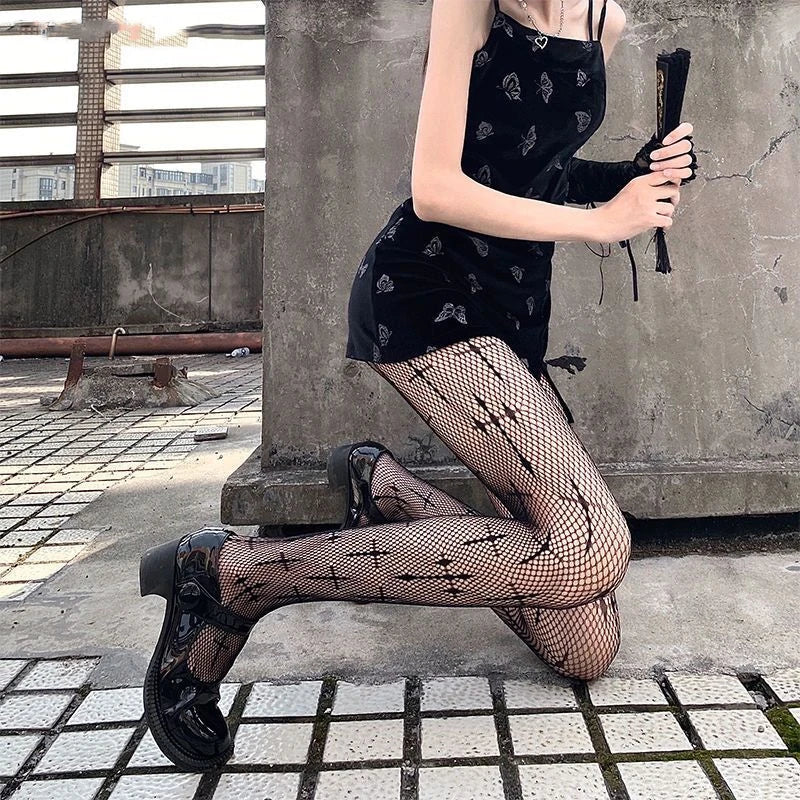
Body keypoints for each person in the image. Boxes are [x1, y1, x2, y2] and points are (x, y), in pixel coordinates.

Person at [139, 0, 698, 771]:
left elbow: (538, 168)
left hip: (513, 317)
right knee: (590, 545)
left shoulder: (606, 22)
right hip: (424, 291)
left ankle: (390, 492)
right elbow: (437, 187)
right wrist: (604, 222)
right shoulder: (471, 6)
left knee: (585, 646)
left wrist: (633, 177)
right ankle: (230, 576)